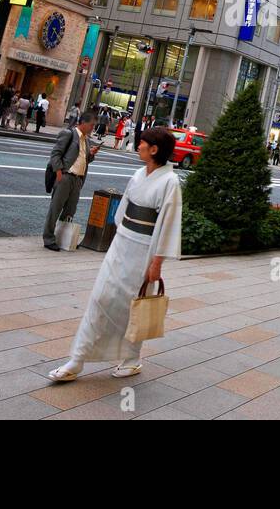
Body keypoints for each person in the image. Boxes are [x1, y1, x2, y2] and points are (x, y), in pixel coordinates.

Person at [48, 127, 182, 382]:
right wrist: (118, 239)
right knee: (100, 297)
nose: (138, 146)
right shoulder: (138, 174)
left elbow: (168, 224)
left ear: (154, 149)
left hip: (145, 249)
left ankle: (132, 357)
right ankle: (77, 359)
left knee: (132, 305)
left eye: (142, 143)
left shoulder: (170, 182)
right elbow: (122, 214)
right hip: (122, 244)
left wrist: (157, 263)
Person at [43, 110, 100, 251]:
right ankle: (48, 238)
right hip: (65, 177)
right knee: (55, 209)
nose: (93, 128)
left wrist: (91, 155)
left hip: (78, 180)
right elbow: (55, 154)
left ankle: (61, 237)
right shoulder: (69, 134)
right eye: (92, 125)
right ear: (84, 123)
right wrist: (59, 174)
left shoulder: (86, 140)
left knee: (70, 210)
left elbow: (84, 160)